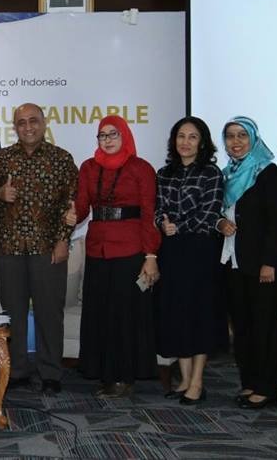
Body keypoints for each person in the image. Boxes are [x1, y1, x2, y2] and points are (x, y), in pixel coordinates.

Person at [0, 103, 77, 393]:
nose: (28, 127)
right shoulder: (3, 157)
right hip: (8, 248)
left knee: (50, 313)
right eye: (21, 122)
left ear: (44, 123)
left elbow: (71, 203)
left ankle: (50, 373)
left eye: (33, 121)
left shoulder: (61, 159)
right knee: (13, 314)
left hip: (48, 248)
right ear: (15, 128)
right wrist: (0, 192)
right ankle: (17, 370)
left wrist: (63, 239)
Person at [66, 115, 160, 398]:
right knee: (100, 313)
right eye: (102, 135)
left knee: (124, 315)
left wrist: (151, 255)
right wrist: (72, 215)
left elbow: (148, 214)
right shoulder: (88, 167)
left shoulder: (141, 168)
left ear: (125, 136)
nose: (107, 140)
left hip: (130, 249)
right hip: (98, 248)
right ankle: (104, 373)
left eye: (113, 134)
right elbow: (82, 207)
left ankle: (124, 376)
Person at [215, 116, 277, 409]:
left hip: (261, 265)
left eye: (242, 135)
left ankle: (266, 389)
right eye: (230, 136)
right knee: (242, 326)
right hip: (232, 261)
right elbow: (220, 213)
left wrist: (270, 262)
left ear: (254, 139)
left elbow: (276, 222)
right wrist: (220, 223)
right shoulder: (226, 174)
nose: (236, 142)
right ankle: (250, 382)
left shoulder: (268, 172)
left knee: (264, 328)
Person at [154, 116, 225, 405]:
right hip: (171, 251)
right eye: (181, 136)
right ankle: (184, 379)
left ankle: (197, 381)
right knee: (177, 314)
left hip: (200, 251)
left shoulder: (211, 173)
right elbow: (157, 208)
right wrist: (162, 224)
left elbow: (210, 213)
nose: (185, 142)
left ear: (202, 142)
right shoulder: (164, 173)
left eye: (192, 137)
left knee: (199, 315)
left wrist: (178, 226)